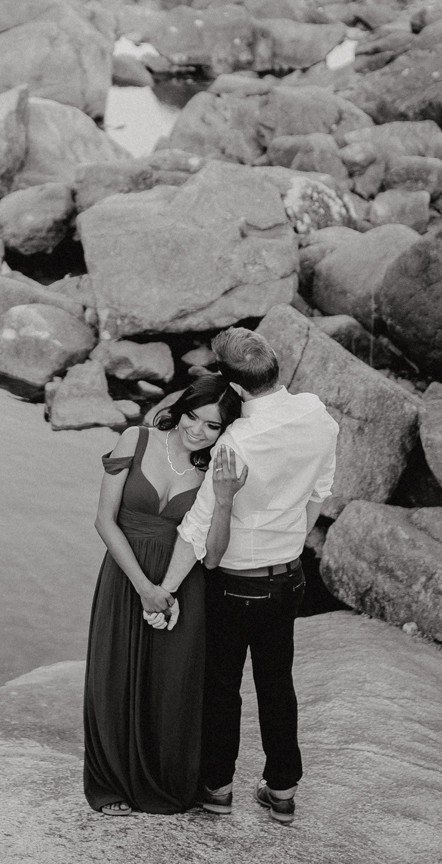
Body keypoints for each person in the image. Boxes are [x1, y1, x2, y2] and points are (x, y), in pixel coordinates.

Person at [152, 326, 338, 825]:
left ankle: (218, 789)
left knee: (223, 687)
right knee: (277, 683)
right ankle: (282, 792)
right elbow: (320, 492)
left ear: (231, 386)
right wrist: (291, 539)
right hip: (289, 578)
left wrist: (164, 591)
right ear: (275, 367)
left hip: (235, 583)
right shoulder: (319, 417)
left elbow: (196, 531)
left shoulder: (235, 441)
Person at [83, 375, 241, 816]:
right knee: (112, 676)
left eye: (212, 426)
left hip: (182, 584)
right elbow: (103, 520)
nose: (197, 430)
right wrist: (143, 587)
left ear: (223, 432)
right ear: (182, 407)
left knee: (172, 686)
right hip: (126, 577)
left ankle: (166, 782)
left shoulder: (213, 473)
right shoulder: (134, 439)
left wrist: (226, 500)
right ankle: (109, 783)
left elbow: (211, 556)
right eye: (194, 416)